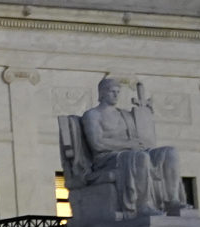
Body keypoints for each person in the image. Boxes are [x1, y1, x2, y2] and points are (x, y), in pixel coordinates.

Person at [70, 76, 190, 217]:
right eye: (111, 91)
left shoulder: (124, 115)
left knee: (170, 152)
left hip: (131, 153)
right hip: (106, 159)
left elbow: (139, 139)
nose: (116, 95)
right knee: (140, 158)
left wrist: (145, 117)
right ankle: (143, 204)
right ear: (101, 93)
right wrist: (128, 145)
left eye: (117, 92)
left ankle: (172, 201)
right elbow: (97, 144)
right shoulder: (93, 115)